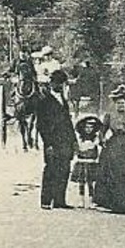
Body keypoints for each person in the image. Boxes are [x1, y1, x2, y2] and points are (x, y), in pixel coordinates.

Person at [94, 86, 125, 214]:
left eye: (123, 103)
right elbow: (102, 131)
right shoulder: (109, 116)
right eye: (118, 103)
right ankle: (113, 204)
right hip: (113, 145)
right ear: (115, 104)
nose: (121, 105)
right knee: (112, 174)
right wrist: (102, 140)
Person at [35, 69, 76, 210]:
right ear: (51, 83)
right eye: (57, 83)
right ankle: (46, 200)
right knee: (51, 169)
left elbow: (68, 122)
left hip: (65, 141)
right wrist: (48, 144)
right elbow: (41, 125)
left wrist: (74, 140)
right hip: (52, 141)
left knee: (64, 169)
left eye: (62, 83)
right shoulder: (44, 101)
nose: (59, 86)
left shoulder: (63, 99)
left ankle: (60, 200)